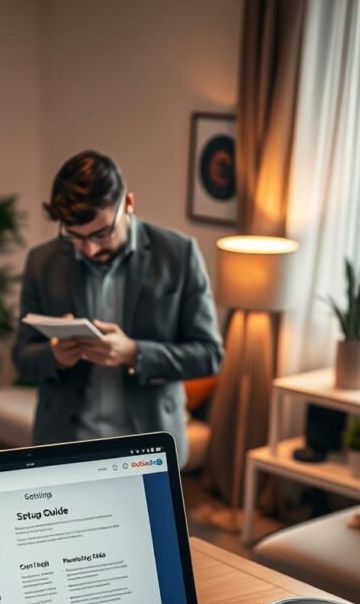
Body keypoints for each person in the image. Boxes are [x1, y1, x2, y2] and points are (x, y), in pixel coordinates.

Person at [13, 150, 223, 465]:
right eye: (75, 237)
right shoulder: (42, 261)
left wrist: (134, 353)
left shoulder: (179, 255)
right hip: (65, 445)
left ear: (128, 204)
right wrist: (53, 355)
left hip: (148, 449)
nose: (90, 248)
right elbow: (22, 355)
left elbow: (209, 355)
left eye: (101, 233)